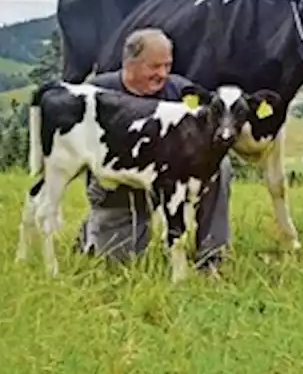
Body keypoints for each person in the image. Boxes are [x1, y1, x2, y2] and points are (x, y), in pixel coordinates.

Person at [76, 27, 232, 274]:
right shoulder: (98, 94)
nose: (163, 74)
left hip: (167, 182)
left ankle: (212, 256)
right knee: (116, 266)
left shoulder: (181, 92)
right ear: (130, 64)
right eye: (154, 67)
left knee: (219, 165)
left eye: (167, 66)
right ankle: (92, 232)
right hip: (119, 191)